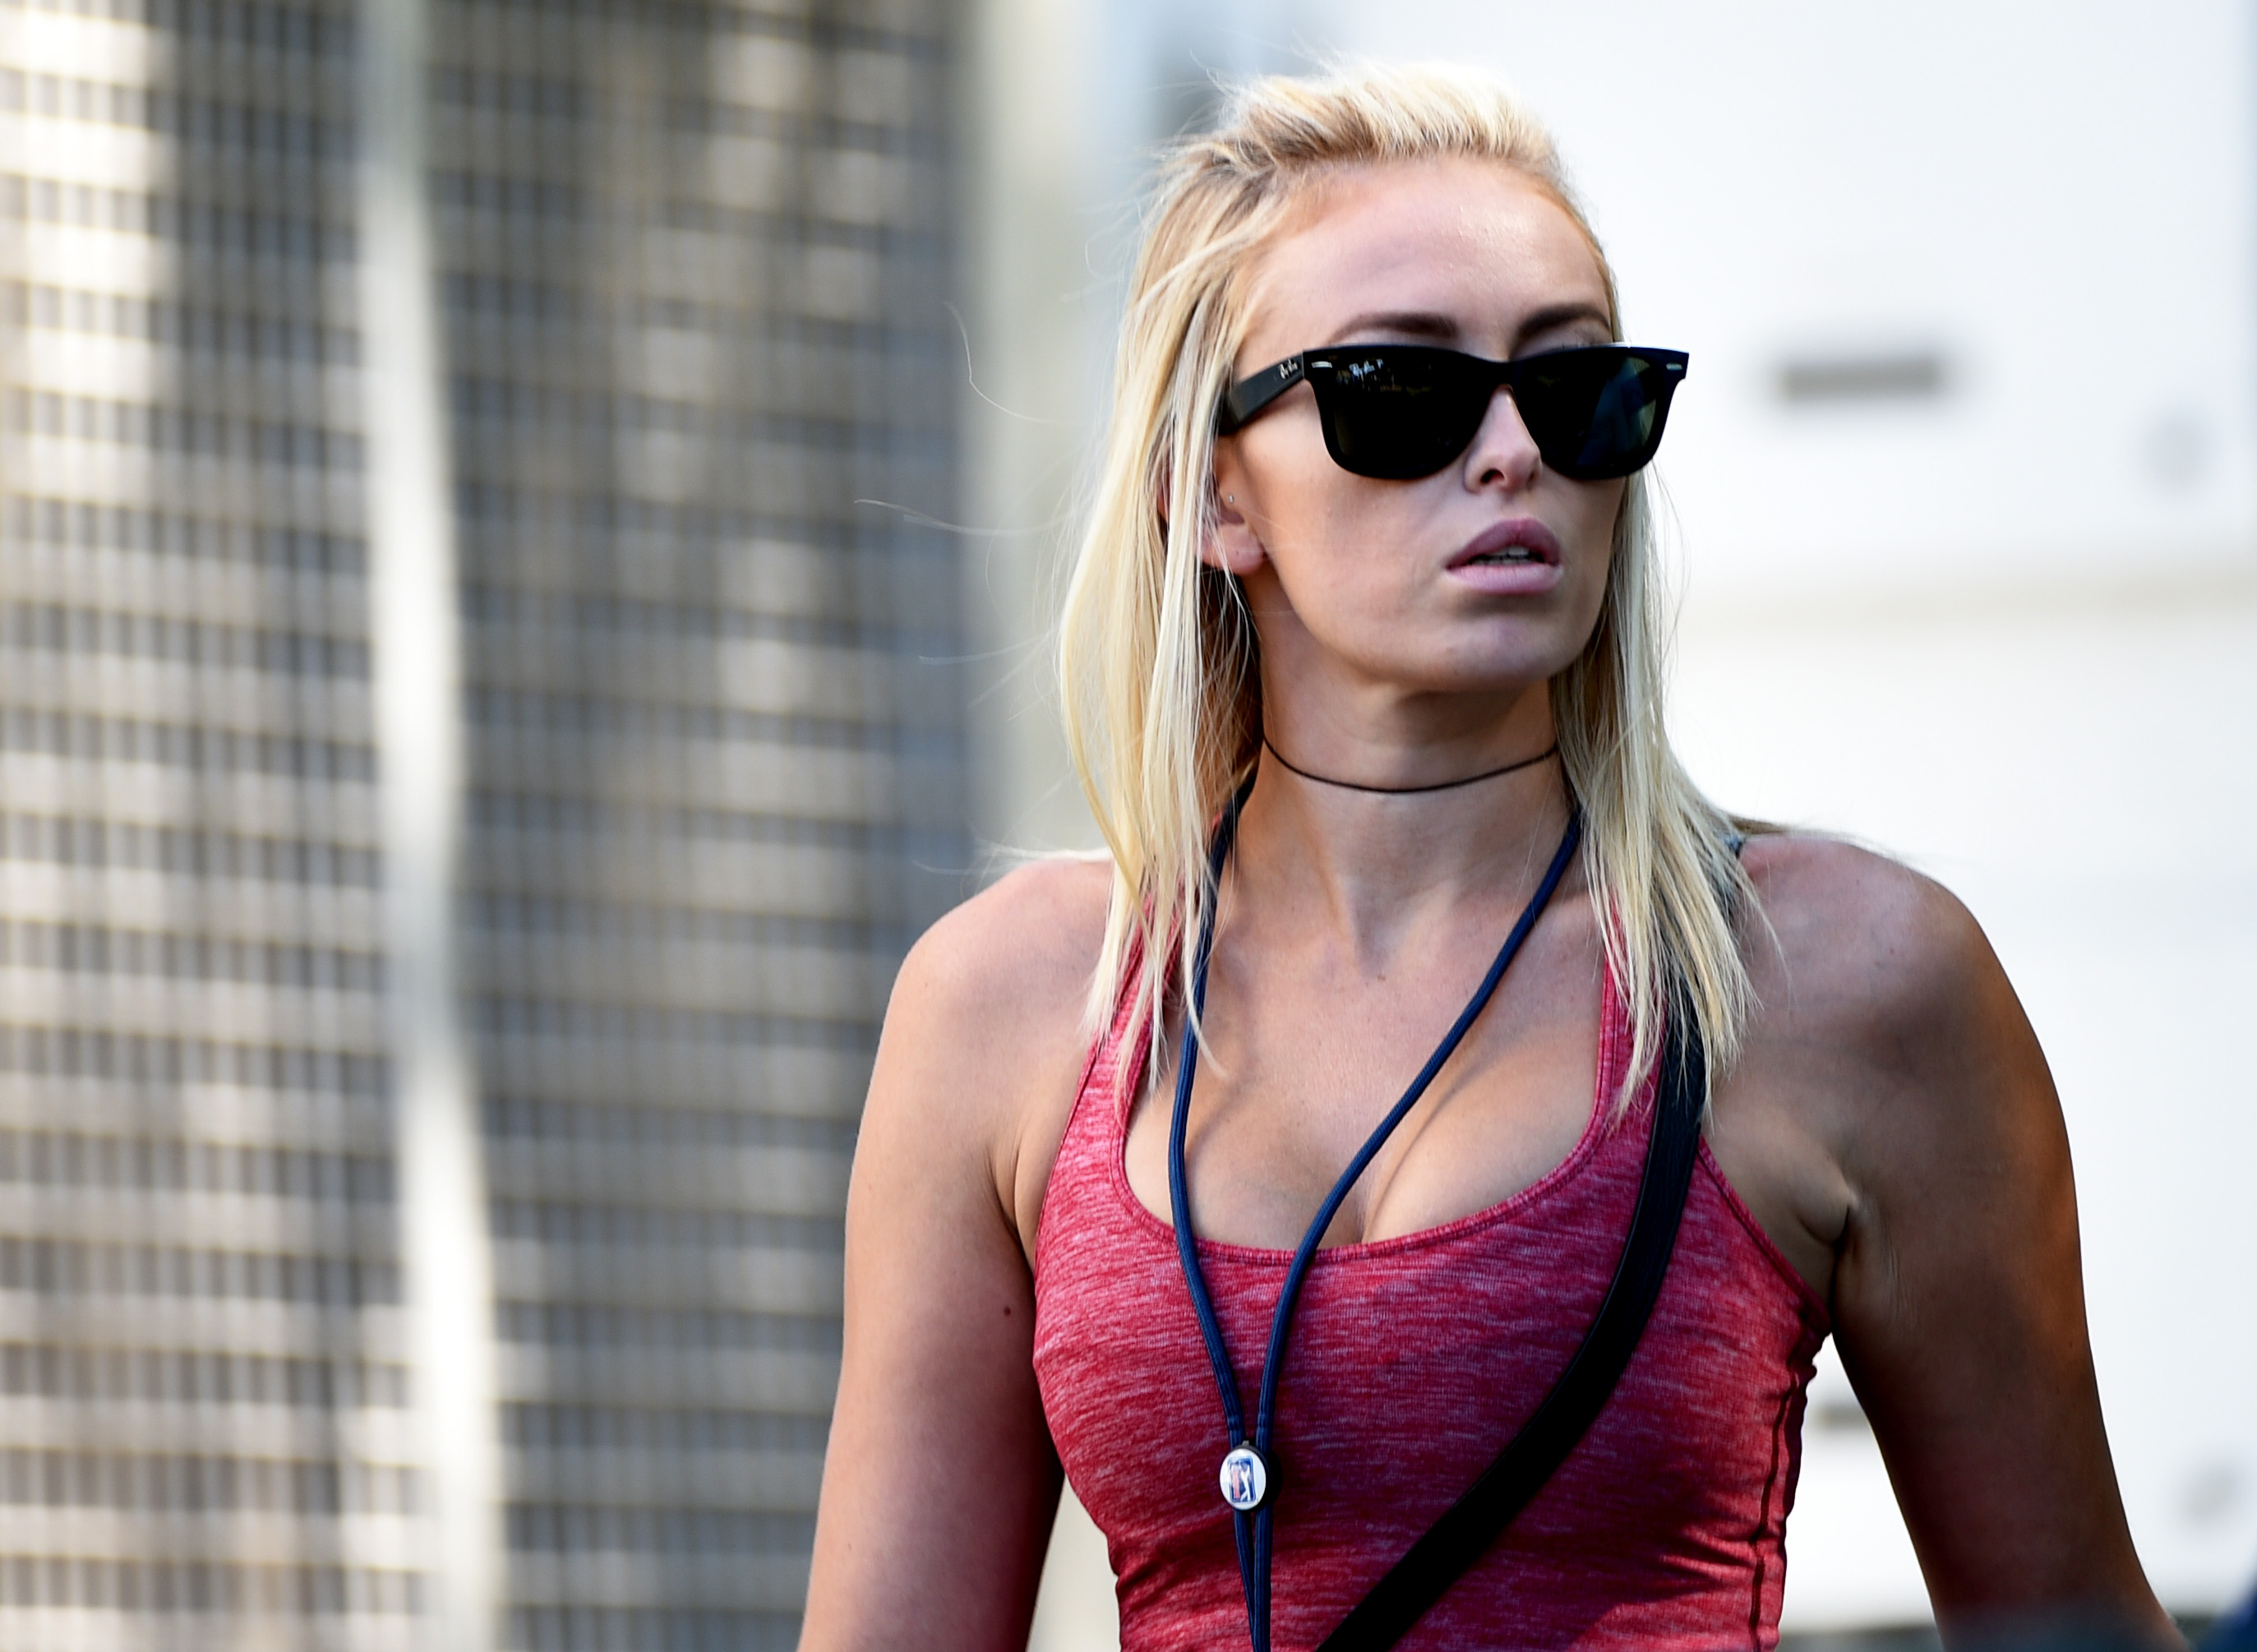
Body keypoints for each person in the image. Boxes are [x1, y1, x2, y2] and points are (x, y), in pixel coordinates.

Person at [801, 63, 2176, 1652]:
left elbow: (2066, 1624)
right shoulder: (1014, 1007)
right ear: (1209, 490)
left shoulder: (1839, 979)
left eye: (1580, 389)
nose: (1515, 451)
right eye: (1403, 392)